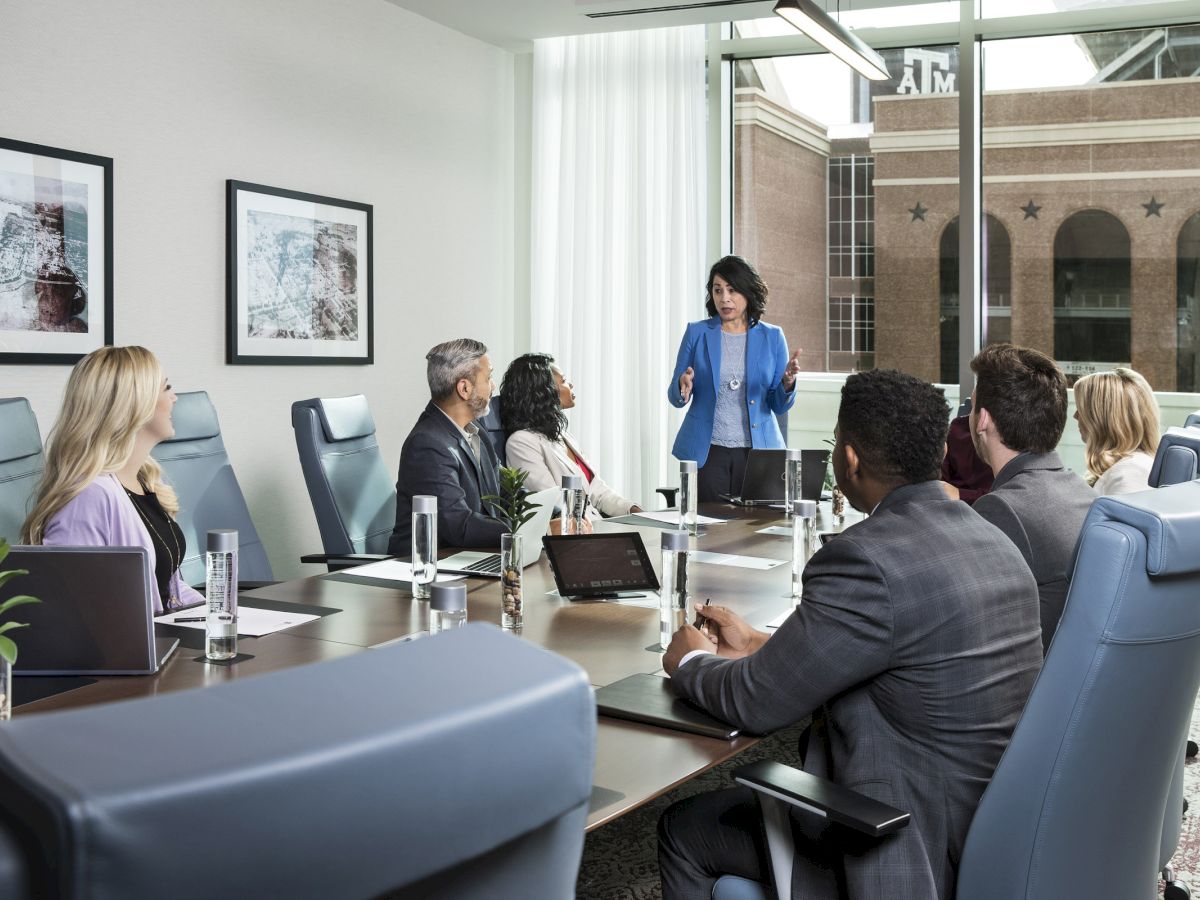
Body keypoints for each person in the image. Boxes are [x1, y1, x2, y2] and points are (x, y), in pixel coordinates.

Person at [657, 369, 1042, 900]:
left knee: (684, 827)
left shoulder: (865, 557)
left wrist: (691, 660)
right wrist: (756, 646)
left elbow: (755, 702)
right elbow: (906, 661)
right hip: (992, 839)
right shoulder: (993, 539)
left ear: (850, 457)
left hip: (900, 847)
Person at [20, 345, 203, 614]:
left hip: (168, 640)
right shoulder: (88, 496)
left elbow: (169, 588)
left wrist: (220, 616)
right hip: (130, 653)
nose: (174, 397)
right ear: (134, 404)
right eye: (166, 388)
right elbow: (71, 611)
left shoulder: (147, 479)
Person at [968, 343, 1095, 653]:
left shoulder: (1001, 510)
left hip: (1027, 693)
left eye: (971, 405)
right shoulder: (1086, 494)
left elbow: (970, 627)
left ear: (982, 419)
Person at [668, 256, 801, 502]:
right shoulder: (697, 333)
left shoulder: (772, 336)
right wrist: (681, 386)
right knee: (709, 530)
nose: (724, 298)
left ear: (748, 292)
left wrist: (787, 383)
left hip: (757, 451)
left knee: (755, 529)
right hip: (708, 451)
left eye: (732, 290)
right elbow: (675, 396)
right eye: (717, 290)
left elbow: (778, 405)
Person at [388, 338, 506, 554]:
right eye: (488, 378)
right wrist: (521, 531)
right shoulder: (427, 445)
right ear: (464, 388)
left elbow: (507, 489)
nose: (493, 386)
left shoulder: (476, 431)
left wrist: (552, 516)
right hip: (429, 571)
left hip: (469, 558)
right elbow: (458, 526)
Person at [501, 353, 642, 519]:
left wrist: (632, 509)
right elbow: (552, 502)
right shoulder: (521, 442)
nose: (571, 384)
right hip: (571, 533)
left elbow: (596, 490)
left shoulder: (562, 436)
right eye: (564, 380)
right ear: (543, 391)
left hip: (594, 526)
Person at [1073, 367, 1161, 496]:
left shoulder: (1131, 473)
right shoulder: (1125, 467)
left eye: (1082, 410)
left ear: (1103, 417)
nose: (1075, 416)